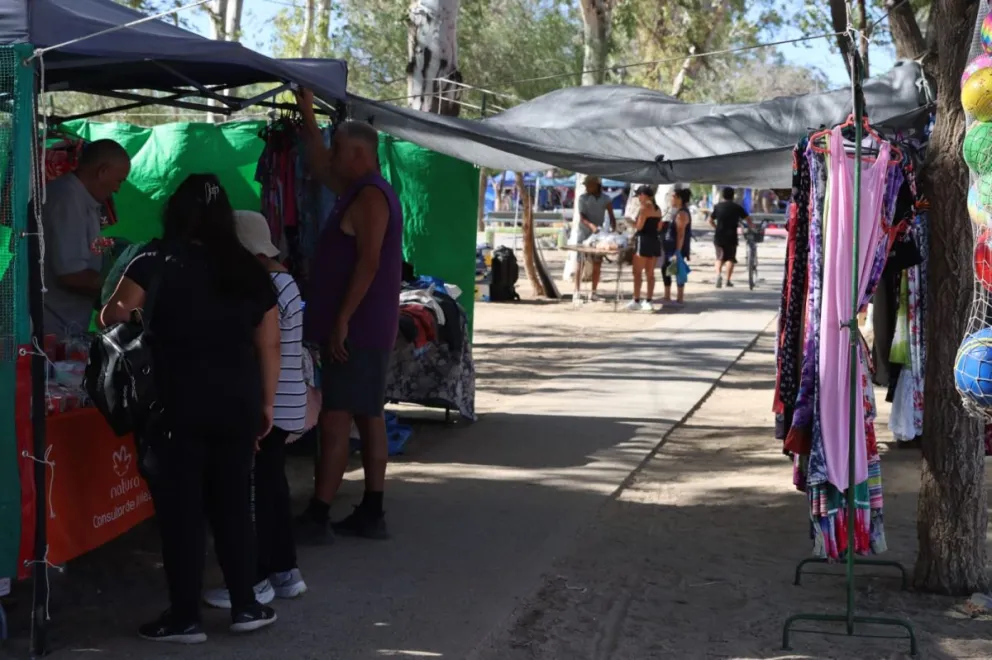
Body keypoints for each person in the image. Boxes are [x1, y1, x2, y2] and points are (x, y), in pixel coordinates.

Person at [100, 174, 280, 643]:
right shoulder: (249, 269)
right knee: (234, 506)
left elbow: (112, 317)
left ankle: (184, 617)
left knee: (182, 514)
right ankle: (245, 605)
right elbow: (270, 346)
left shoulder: (153, 259)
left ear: (174, 212)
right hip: (237, 403)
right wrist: (265, 404)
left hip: (174, 406)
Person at [293, 88, 403, 542]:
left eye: (337, 147)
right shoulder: (357, 189)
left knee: (340, 418)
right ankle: (370, 510)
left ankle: (320, 516)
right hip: (361, 325)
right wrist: (304, 111)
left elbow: (369, 262)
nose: (331, 156)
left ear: (357, 153)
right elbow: (319, 168)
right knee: (365, 414)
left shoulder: (370, 197)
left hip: (357, 327)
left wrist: (341, 320)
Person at [202, 210, 309, 611]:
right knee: (272, 490)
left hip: (272, 403)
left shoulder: (266, 288)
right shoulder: (285, 280)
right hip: (287, 401)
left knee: (253, 496)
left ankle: (255, 579)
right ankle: (285, 572)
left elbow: (266, 347)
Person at [42, 139, 130, 337]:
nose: (117, 189)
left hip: (63, 325)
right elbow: (71, 275)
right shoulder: (67, 200)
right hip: (47, 330)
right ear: (103, 171)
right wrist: (122, 288)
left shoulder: (84, 200)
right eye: (119, 180)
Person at [574, 175, 616, 301]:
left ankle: (593, 292)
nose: (586, 187)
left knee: (597, 263)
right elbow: (582, 217)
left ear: (596, 185)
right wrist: (591, 225)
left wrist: (614, 226)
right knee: (580, 262)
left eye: (589, 184)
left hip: (598, 236)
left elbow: (611, 214)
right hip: (584, 234)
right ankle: (577, 290)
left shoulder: (606, 199)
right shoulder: (582, 198)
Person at [627, 185, 662, 312]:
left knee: (637, 273)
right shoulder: (658, 209)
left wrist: (630, 222)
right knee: (650, 274)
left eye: (639, 195)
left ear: (645, 195)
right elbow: (658, 227)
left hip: (643, 241)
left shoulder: (643, 209)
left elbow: (639, 227)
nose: (638, 198)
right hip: (655, 241)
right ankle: (649, 300)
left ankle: (636, 299)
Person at [708, 187, 751, 288]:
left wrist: (716, 228)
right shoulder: (737, 207)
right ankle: (728, 280)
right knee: (730, 258)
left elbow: (710, 220)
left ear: (723, 195)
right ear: (733, 196)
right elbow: (748, 219)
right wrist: (751, 227)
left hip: (719, 236)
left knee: (719, 257)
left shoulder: (717, 207)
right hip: (731, 236)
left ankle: (718, 275)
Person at [661, 188, 692, 306]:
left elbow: (681, 234)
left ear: (679, 199)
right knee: (667, 269)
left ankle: (679, 298)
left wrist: (677, 251)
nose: (671, 199)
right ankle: (668, 296)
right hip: (671, 248)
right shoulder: (677, 212)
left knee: (677, 270)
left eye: (673, 197)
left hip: (676, 249)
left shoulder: (682, 214)